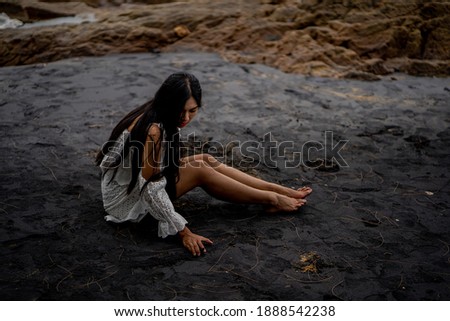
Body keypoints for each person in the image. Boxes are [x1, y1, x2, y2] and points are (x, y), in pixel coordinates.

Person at [96, 72, 312, 256]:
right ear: (168, 103)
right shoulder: (154, 130)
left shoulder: (155, 111)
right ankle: (272, 199)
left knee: (205, 159)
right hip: (124, 201)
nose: (186, 117)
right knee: (201, 170)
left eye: (193, 110)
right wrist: (184, 232)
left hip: (127, 184)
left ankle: (277, 189)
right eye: (181, 110)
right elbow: (150, 189)